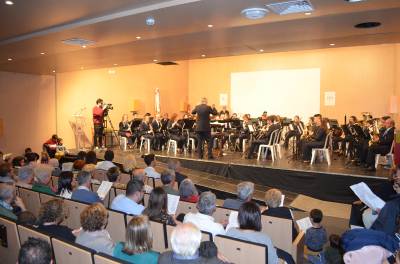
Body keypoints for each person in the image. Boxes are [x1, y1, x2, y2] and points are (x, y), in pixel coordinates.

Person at [158, 223, 225, 264]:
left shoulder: (163, 257)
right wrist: (224, 259)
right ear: (198, 242)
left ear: (173, 241)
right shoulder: (213, 261)